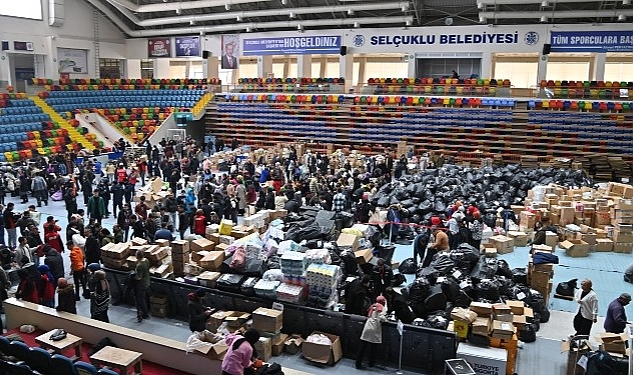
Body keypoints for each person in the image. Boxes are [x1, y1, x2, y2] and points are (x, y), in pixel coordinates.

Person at [356, 296, 387, 370]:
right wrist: (386, 320)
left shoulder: (373, 305)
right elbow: (381, 317)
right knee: (373, 347)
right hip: (374, 328)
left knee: (362, 347)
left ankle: (358, 363)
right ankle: (371, 363)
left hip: (367, 326)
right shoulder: (382, 307)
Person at [134, 249, 150, 322]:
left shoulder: (139, 266)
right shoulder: (146, 260)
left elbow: (138, 277)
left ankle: (144, 313)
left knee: (140, 299)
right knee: (144, 298)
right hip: (147, 281)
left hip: (141, 284)